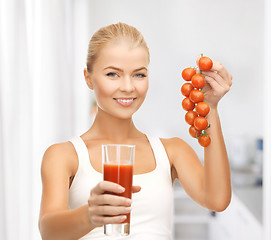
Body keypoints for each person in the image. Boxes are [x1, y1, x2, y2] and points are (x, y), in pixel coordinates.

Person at [38, 22, 232, 240]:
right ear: (88, 78)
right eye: (113, 74)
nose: (128, 87)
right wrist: (90, 216)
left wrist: (211, 108)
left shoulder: (171, 151)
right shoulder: (64, 155)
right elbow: (48, 231)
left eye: (139, 75)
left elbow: (217, 200)